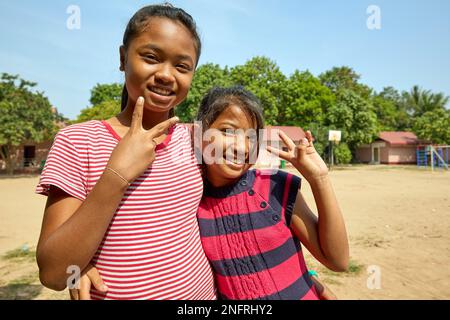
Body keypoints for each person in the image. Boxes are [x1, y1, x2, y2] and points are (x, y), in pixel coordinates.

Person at [35, 4, 217, 300]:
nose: (166, 75)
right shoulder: (78, 141)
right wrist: (117, 175)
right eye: (151, 58)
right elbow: (55, 273)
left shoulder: (196, 140)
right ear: (123, 58)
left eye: (182, 66)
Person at [194, 86, 349, 299]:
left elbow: (338, 261)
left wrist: (319, 179)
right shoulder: (192, 204)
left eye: (252, 137)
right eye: (228, 131)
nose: (242, 147)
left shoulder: (274, 187)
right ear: (199, 133)